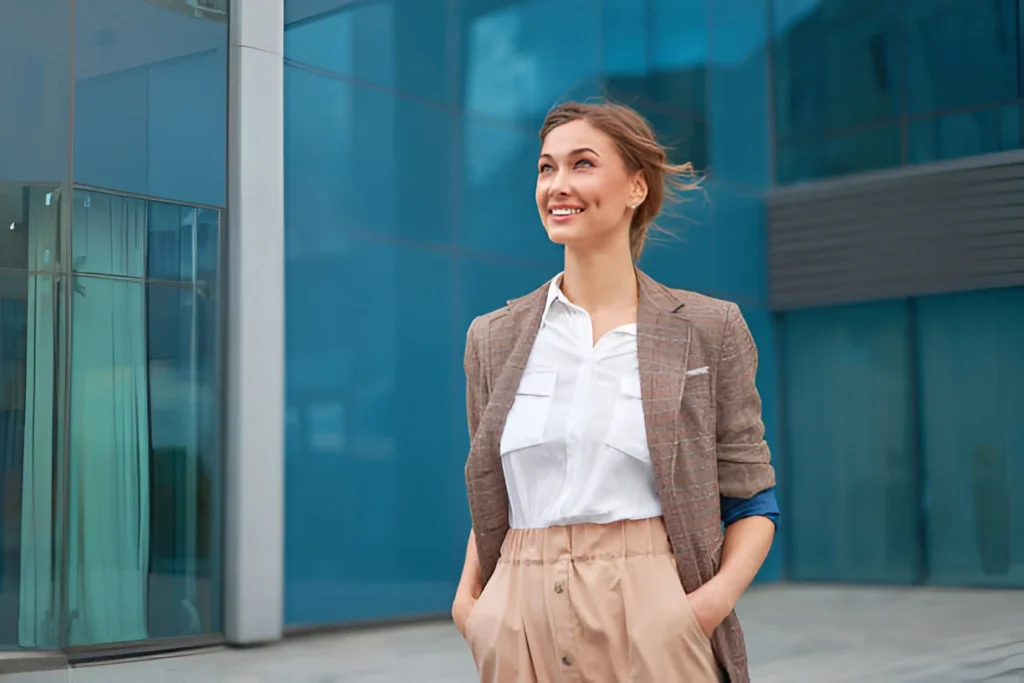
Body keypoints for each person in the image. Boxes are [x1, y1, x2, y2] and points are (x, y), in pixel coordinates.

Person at [451, 101, 779, 683]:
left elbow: (751, 498)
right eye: (546, 168)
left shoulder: (708, 328)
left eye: (581, 165)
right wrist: (473, 608)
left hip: (654, 611)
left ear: (635, 186)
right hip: (518, 616)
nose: (558, 185)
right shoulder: (492, 338)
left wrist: (702, 607)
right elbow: (491, 491)